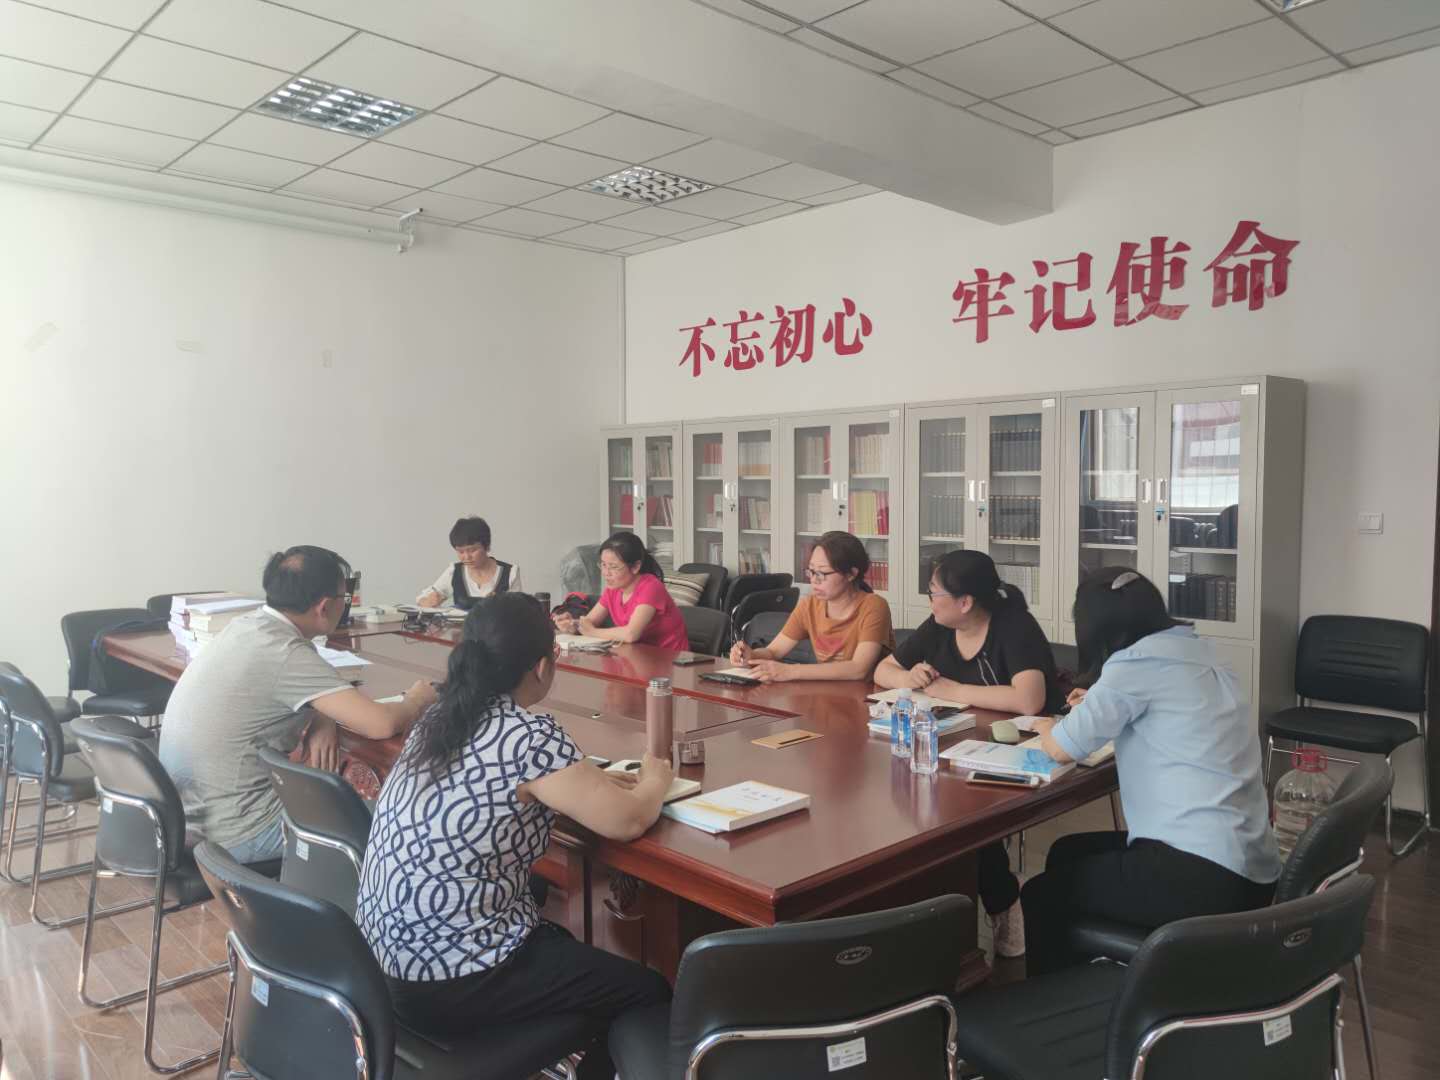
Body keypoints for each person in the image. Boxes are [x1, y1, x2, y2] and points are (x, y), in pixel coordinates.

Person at [356, 593, 673, 1080]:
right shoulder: (529, 736)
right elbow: (627, 822)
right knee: (648, 990)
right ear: (543, 666)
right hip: (451, 981)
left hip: (382, 967)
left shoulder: (436, 720)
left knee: (564, 942)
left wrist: (590, 780)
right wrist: (655, 779)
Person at [1022, 566, 1280, 976]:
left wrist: (1044, 727)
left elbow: (1061, 748)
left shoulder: (1133, 666)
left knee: (1040, 895)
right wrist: (1097, 699)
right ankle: (1091, 975)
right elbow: (1159, 702)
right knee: (1067, 853)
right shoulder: (1200, 650)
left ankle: (1056, 1004)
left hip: (1201, 877)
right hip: (1250, 868)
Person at [159, 546, 434, 863]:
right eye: (344, 598)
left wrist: (321, 715)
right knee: (394, 820)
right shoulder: (285, 652)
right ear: (325, 606)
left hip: (188, 822)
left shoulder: (246, 627)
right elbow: (380, 724)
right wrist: (417, 699)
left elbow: (300, 684)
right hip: (238, 834)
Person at [873, 550, 1063, 958]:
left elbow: (1029, 700)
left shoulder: (1014, 626)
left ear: (965, 602)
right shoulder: (939, 625)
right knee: (914, 805)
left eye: (934, 593)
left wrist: (954, 690)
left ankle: (1002, 903)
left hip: (1017, 748)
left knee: (959, 816)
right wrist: (908, 676)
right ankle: (936, 917)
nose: (929, 600)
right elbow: (882, 670)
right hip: (954, 742)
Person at [727, 530, 893, 683]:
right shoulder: (810, 605)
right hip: (826, 695)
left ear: (851, 574)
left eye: (822, 573)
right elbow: (774, 652)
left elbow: (858, 669)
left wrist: (790, 671)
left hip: (866, 699)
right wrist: (750, 656)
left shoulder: (873, 606)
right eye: (811, 571)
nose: (814, 580)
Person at [552, 531, 688, 651]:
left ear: (635, 567)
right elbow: (589, 622)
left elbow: (631, 634)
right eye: (603, 565)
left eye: (613, 567)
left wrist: (592, 631)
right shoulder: (613, 589)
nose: (606, 573)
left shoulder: (651, 587)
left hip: (669, 660)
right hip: (637, 655)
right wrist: (572, 625)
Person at [417, 516, 523, 609]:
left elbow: (520, 610)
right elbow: (423, 598)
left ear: (487, 546)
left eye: (472, 550)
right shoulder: (454, 571)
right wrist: (427, 601)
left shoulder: (510, 573)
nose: (467, 557)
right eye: (460, 551)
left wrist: (501, 604)